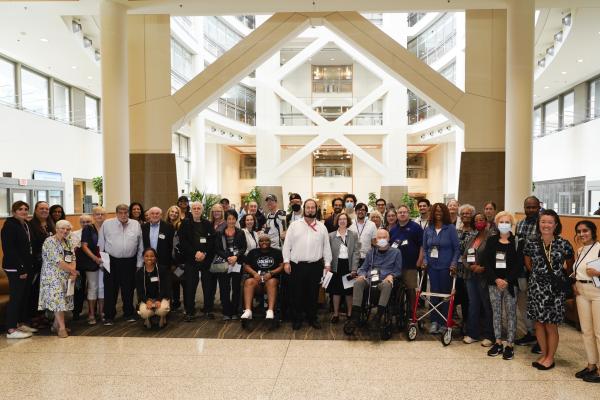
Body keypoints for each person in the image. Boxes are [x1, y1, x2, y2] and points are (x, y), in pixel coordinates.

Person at [524, 209, 574, 370]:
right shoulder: (531, 242)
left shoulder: (563, 243)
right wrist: (539, 278)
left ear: (556, 225)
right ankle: (544, 354)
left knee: (551, 325)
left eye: (549, 222)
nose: (546, 225)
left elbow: (570, 266)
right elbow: (528, 264)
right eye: (543, 222)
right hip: (536, 288)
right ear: (539, 224)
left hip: (555, 290)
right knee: (538, 323)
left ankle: (550, 358)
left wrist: (559, 278)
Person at [282, 199, 332, 330]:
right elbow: (287, 245)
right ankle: (297, 319)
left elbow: (326, 246)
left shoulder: (322, 227)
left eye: (313, 208)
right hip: (297, 265)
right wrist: (286, 261)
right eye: (308, 207)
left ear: (316, 209)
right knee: (296, 294)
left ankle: (312, 318)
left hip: (315, 266)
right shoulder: (294, 225)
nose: (310, 210)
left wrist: (327, 264)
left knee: (313, 294)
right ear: (304, 209)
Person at [482, 211, 521, 360]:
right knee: (496, 313)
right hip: (494, 283)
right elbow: (486, 262)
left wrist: (507, 280)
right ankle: (498, 342)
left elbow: (519, 265)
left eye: (507, 222)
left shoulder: (517, 241)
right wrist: (496, 279)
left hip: (511, 284)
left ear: (511, 224)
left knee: (511, 313)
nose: (504, 224)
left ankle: (509, 344)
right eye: (501, 222)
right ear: (497, 224)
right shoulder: (491, 240)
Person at [98, 204, 144, 325]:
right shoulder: (107, 224)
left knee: (128, 289)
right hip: (111, 261)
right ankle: (109, 316)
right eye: (121, 213)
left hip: (130, 261)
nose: (123, 215)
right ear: (116, 213)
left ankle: (128, 313)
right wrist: (103, 263)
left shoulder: (135, 224)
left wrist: (139, 263)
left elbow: (140, 245)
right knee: (110, 290)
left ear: (129, 213)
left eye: (126, 212)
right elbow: (101, 244)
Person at [347, 228, 402, 329]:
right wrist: (362, 275)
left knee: (387, 284)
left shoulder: (396, 252)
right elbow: (363, 268)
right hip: (370, 280)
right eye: (379, 237)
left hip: (384, 280)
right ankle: (355, 316)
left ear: (388, 239)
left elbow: (398, 270)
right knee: (358, 282)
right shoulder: (371, 253)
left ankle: (378, 316)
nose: (382, 239)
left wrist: (392, 275)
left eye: (384, 237)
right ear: (376, 240)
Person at [422, 203, 460, 334]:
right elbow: (425, 248)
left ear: (445, 212)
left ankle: (444, 321)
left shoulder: (450, 229)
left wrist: (454, 263)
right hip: (432, 267)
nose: (438, 213)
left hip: (446, 267)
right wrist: (425, 260)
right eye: (436, 211)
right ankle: (434, 321)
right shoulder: (428, 229)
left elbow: (456, 249)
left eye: (441, 211)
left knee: (445, 295)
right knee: (433, 293)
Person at [38, 219, 78, 338]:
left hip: (66, 275)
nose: (65, 231)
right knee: (58, 301)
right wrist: (72, 270)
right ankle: (62, 328)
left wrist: (72, 272)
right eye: (62, 228)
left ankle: (56, 325)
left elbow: (73, 258)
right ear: (56, 229)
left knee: (64, 301)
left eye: (68, 229)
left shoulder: (68, 242)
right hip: (52, 276)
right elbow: (58, 261)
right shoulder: (49, 241)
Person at [2, 201, 35, 339]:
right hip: (14, 268)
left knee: (23, 297)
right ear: (14, 211)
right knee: (15, 298)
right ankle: (10, 329)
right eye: (20, 209)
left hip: (25, 266)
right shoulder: (9, 226)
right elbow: (10, 250)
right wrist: (21, 269)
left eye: (26, 209)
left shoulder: (25, 224)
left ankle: (19, 323)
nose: (24, 211)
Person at [178, 201, 216, 321]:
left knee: (208, 286)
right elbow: (183, 241)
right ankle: (190, 311)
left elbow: (212, 240)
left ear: (202, 210)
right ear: (191, 209)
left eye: (199, 208)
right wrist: (195, 253)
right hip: (191, 259)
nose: (196, 210)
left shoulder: (208, 223)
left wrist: (204, 253)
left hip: (206, 259)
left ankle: (208, 309)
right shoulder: (185, 223)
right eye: (194, 208)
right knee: (190, 286)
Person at [572, 220, 600, 382]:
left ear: (593, 231)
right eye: (579, 231)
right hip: (581, 292)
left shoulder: (599, 248)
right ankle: (591, 364)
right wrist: (574, 281)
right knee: (587, 331)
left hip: (597, 293)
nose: (582, 234)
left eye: (585, 231)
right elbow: (577, 271)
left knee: (598, 332)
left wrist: (597, 273)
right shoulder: (580, 250)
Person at [461, 212, 494, 346]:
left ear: (486, 222)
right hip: (471, 276)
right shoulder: (472, 237)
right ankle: (472, 333)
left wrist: (483, 268)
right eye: (476, 220)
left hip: (484, 276)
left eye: (481, 220)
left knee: (487, 305)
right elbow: (464, 256)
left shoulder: (492, 237)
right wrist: (470, 267)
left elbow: (494, 256)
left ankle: (489, 335)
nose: (479, 222)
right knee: (473, 304)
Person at [515, 196, 542, 352]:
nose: (530, 210)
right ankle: (530, 332)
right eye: (528, 207)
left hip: (537, 271)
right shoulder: (520, 224)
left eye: (533, 207)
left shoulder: (542, 224)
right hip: (521, 271)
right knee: (523, 304)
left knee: (537, 305)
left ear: (539, 207)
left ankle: (541, 338)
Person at [241, 235, 284, 327]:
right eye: (261, 241)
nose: (264, 242)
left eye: (266, 240)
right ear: (258, 243)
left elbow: (282, 266)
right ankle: (248, 311)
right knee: (249, 282)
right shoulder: (253, 252)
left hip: (271, 281)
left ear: (270, 242)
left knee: (271, 282)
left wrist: (271, 273)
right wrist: (254, 274)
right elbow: (246, 266)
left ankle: (270, 310)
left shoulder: (276, 252)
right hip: (257, 281)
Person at [391, 205, 424, 323]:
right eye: (400, 212)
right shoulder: (393, 229)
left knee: (410, 290)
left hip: (410, 265)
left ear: (408, 214)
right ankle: (398, 312)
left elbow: (422, 245)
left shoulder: (416, 228)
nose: (402, 214)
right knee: (396, 290)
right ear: (397, 214)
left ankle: (412, 313)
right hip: (396, 266)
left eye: (404, 212)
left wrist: (420, 260)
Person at [213, 209, 247, 320]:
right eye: (229, 219)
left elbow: (243, 247)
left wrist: (236, 257)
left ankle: (235, 311)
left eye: (233, 219)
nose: (231, 221)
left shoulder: (240, 232)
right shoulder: (219, 233)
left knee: (236, 288)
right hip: (224, 263)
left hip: (237, 263)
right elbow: (217, 249)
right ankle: (226, 312)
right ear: (226, 220)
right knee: (224, 288)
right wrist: (227, 257)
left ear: (236, 219)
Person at [327, 213, 360, 323]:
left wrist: (354, 268)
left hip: (349, 266)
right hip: (336, 266)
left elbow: (356, 252)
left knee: (349, 292)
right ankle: (336, 314)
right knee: (336, 292)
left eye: (344, 219)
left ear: (348, 221)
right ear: (337, 221)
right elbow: (327, 252)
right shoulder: (331, 235)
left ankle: (349, 313)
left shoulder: (353, 235)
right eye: (340, 219)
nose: (342, 221)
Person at [28, 201, 55, 327]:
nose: (44, 210)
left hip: (51, 264)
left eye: (46, 208)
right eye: (41, 208)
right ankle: (34, 317)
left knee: (46, 291)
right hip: (37, 264)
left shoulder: (51, 224)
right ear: (35, 210)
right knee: (36, 291)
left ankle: (44, 315)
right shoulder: (30, 225)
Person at [79, 206, 106, 325]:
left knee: (102, 287)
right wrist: (94, 258)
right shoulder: (88, 228)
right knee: (93, 287)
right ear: (93, 216)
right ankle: (91, 314)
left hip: (105, 261)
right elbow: (84, 246)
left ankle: (102, 312)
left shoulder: (107, 227)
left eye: (102, 214)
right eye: (97, 214)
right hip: (92, 261)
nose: (99, 216)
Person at [136, 248, 171, 329]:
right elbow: (140, 292)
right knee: (144, 313)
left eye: (152, 256)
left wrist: (159, 300)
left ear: (155, 258)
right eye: (146, 256)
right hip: (147, 299)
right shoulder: (139, 273)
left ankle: (162, 317)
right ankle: (147, 318)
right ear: (143, 258)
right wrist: (147, 301)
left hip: (160, 298)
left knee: (162, 310)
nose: (149, 258)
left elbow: (165, 288)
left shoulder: (162, 270)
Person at [456, 204, 476, 333]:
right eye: (463, 213)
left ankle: (471, 323)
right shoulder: (457, 230)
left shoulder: (476, 232)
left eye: (468, 213)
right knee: (461, 296)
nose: (465, 216)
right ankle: (463, 322)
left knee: (470, 298)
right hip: (457, 269)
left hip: (470, 268)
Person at [72, 214, 93, 321]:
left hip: (92, 265)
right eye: (83, 222)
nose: (85, 224)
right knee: (79, 289)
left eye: (88, 222)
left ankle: (93, 311)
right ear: (80, 223)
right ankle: (76, 311)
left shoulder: (95, 233)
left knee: (92, 288)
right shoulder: (74, 234)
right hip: (79, 265)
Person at [142, 207, 175, 272]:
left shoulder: (168, 226)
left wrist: (172, 262)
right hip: (148, 260)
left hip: (164, 261)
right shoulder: (143, 227)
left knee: (163, 281)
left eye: (157, 213)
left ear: (161, 215)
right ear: (149, 215)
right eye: (152, 213)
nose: (155, 215)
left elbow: (171, 245)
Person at [165, 205, 184, 311]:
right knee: (170, 282)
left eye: (176, 212)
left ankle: (178, 302)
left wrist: (176, 262)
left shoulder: (180, 225)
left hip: (178, 260)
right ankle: (172, 303)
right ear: (168, 212)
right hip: (167, 259)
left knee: (178, 281)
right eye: (172, 211)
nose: (174, 214)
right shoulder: (164, 225)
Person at [349, 203, 377, 267]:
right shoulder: (350, 223)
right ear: (355, 212)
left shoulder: (372, 225)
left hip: (366, 257)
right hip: (352, 257)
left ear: (366, 212)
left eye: (363, 210)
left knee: (364, 276)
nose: (360, 212)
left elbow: (374, 242)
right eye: (358, 210)